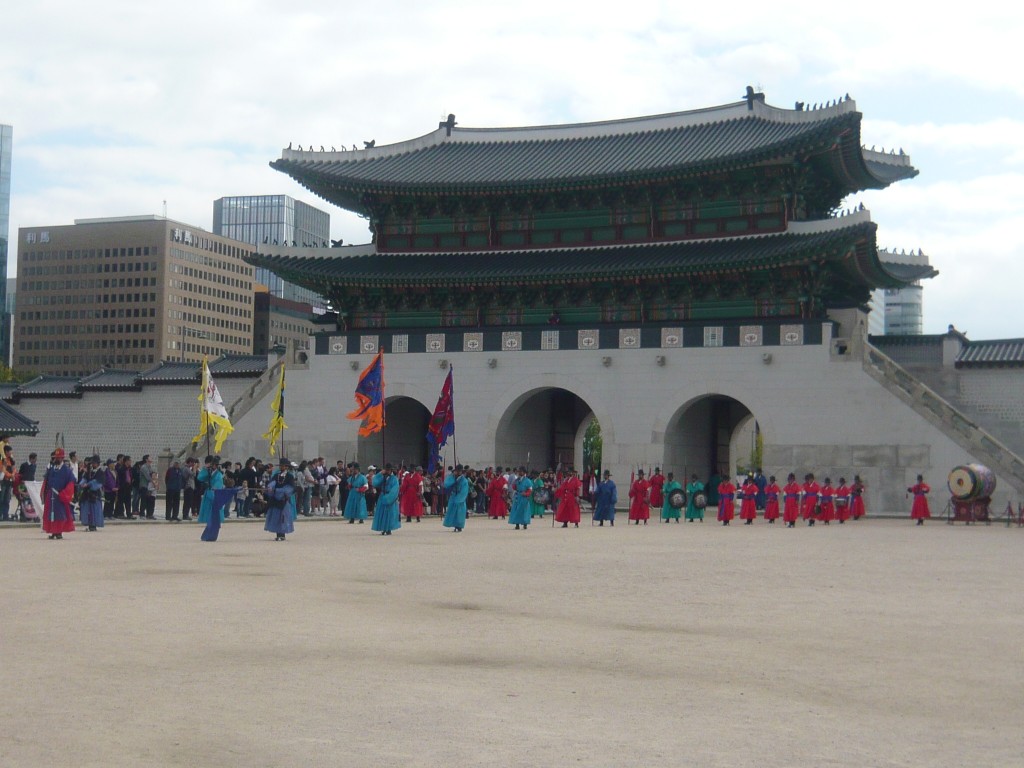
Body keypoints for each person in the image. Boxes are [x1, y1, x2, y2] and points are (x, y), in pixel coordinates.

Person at [42, 448, 76, 539]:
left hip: (60, 496)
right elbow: (47, 480)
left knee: (60, 514)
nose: (57, 459)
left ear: (62, 458)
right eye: (56, 458)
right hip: (51, 495)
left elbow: (71, 482)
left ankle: (59, 532)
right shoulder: (52, 469)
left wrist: (64, 493)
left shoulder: (67, 470)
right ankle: (53, 531)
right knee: (51, 514)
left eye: (59, 458)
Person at [264, 458, 296, 541]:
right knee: (276, 516)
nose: (281, 467)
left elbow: (290, 488)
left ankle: (282, 534)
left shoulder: (290, 476)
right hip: (275, 498)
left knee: (283, 517)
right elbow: (272, 483)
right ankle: (278, 533)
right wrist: (270, 488)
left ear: (286, 467)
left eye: (283, 466)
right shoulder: (276, 475)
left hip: (283, 499)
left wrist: (279, 491)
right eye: (281, 465)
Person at [198, 455, 228, 542]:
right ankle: (209, 524)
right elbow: (200, 478)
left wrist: (214, 490)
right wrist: (205, 469)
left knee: (215, 511)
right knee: (208, 511)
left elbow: (218, 485)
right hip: (208, 492)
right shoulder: (210, 472)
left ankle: (214, 525)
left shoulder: (218, 474)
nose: (212, 466)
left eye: (213, 464)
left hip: (214, 493)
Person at [372, 464, 401, 535]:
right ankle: (383, 528)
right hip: (382, 496)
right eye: (386, 469)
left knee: (389, 514)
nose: (387, 471)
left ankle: (389, 529)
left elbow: (395, 490)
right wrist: (379, 474)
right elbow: (374, 483)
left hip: (390, 497)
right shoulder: (383, 477)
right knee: (382, 513)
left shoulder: (394, 479)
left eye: (388, 470)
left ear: (391, 470)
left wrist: (389, 498)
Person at [78, 455, 105, 532]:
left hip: (95, 494)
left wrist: (89, 484)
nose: (93, 464)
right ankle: (89, 524)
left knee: (95, 510)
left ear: (98, 463)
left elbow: (98, 483)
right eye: (92, 463)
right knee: (87, 509)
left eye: (94, 463)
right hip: (87, 494)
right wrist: (82, 484)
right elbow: (84, 479)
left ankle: (94, 525)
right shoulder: (89, 472)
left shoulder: (101, 473)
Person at [443, 464, 469, 532]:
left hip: (460, 498)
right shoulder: (452, 477)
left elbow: (464, 491)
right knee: (452, 511)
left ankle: (459, 526)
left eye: (460, 471)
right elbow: (446, 484)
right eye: (457, 471)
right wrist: (453, 479)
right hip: (453, 496)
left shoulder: (464, 480)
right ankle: (453, 524)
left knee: (460, 513)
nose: (458, 472)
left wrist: (459, 499)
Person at [139, 454, 158, 519]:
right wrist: (154, 483)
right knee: (143, 500)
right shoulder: (144, 467)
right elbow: (148, 477)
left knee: (149, 501)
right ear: (146, 459)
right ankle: (142, 514)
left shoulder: (150, 467)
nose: (151, 458)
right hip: (144, 486)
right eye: (150, 457)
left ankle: (149, 514)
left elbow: (154, 474)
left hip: (149, 486)